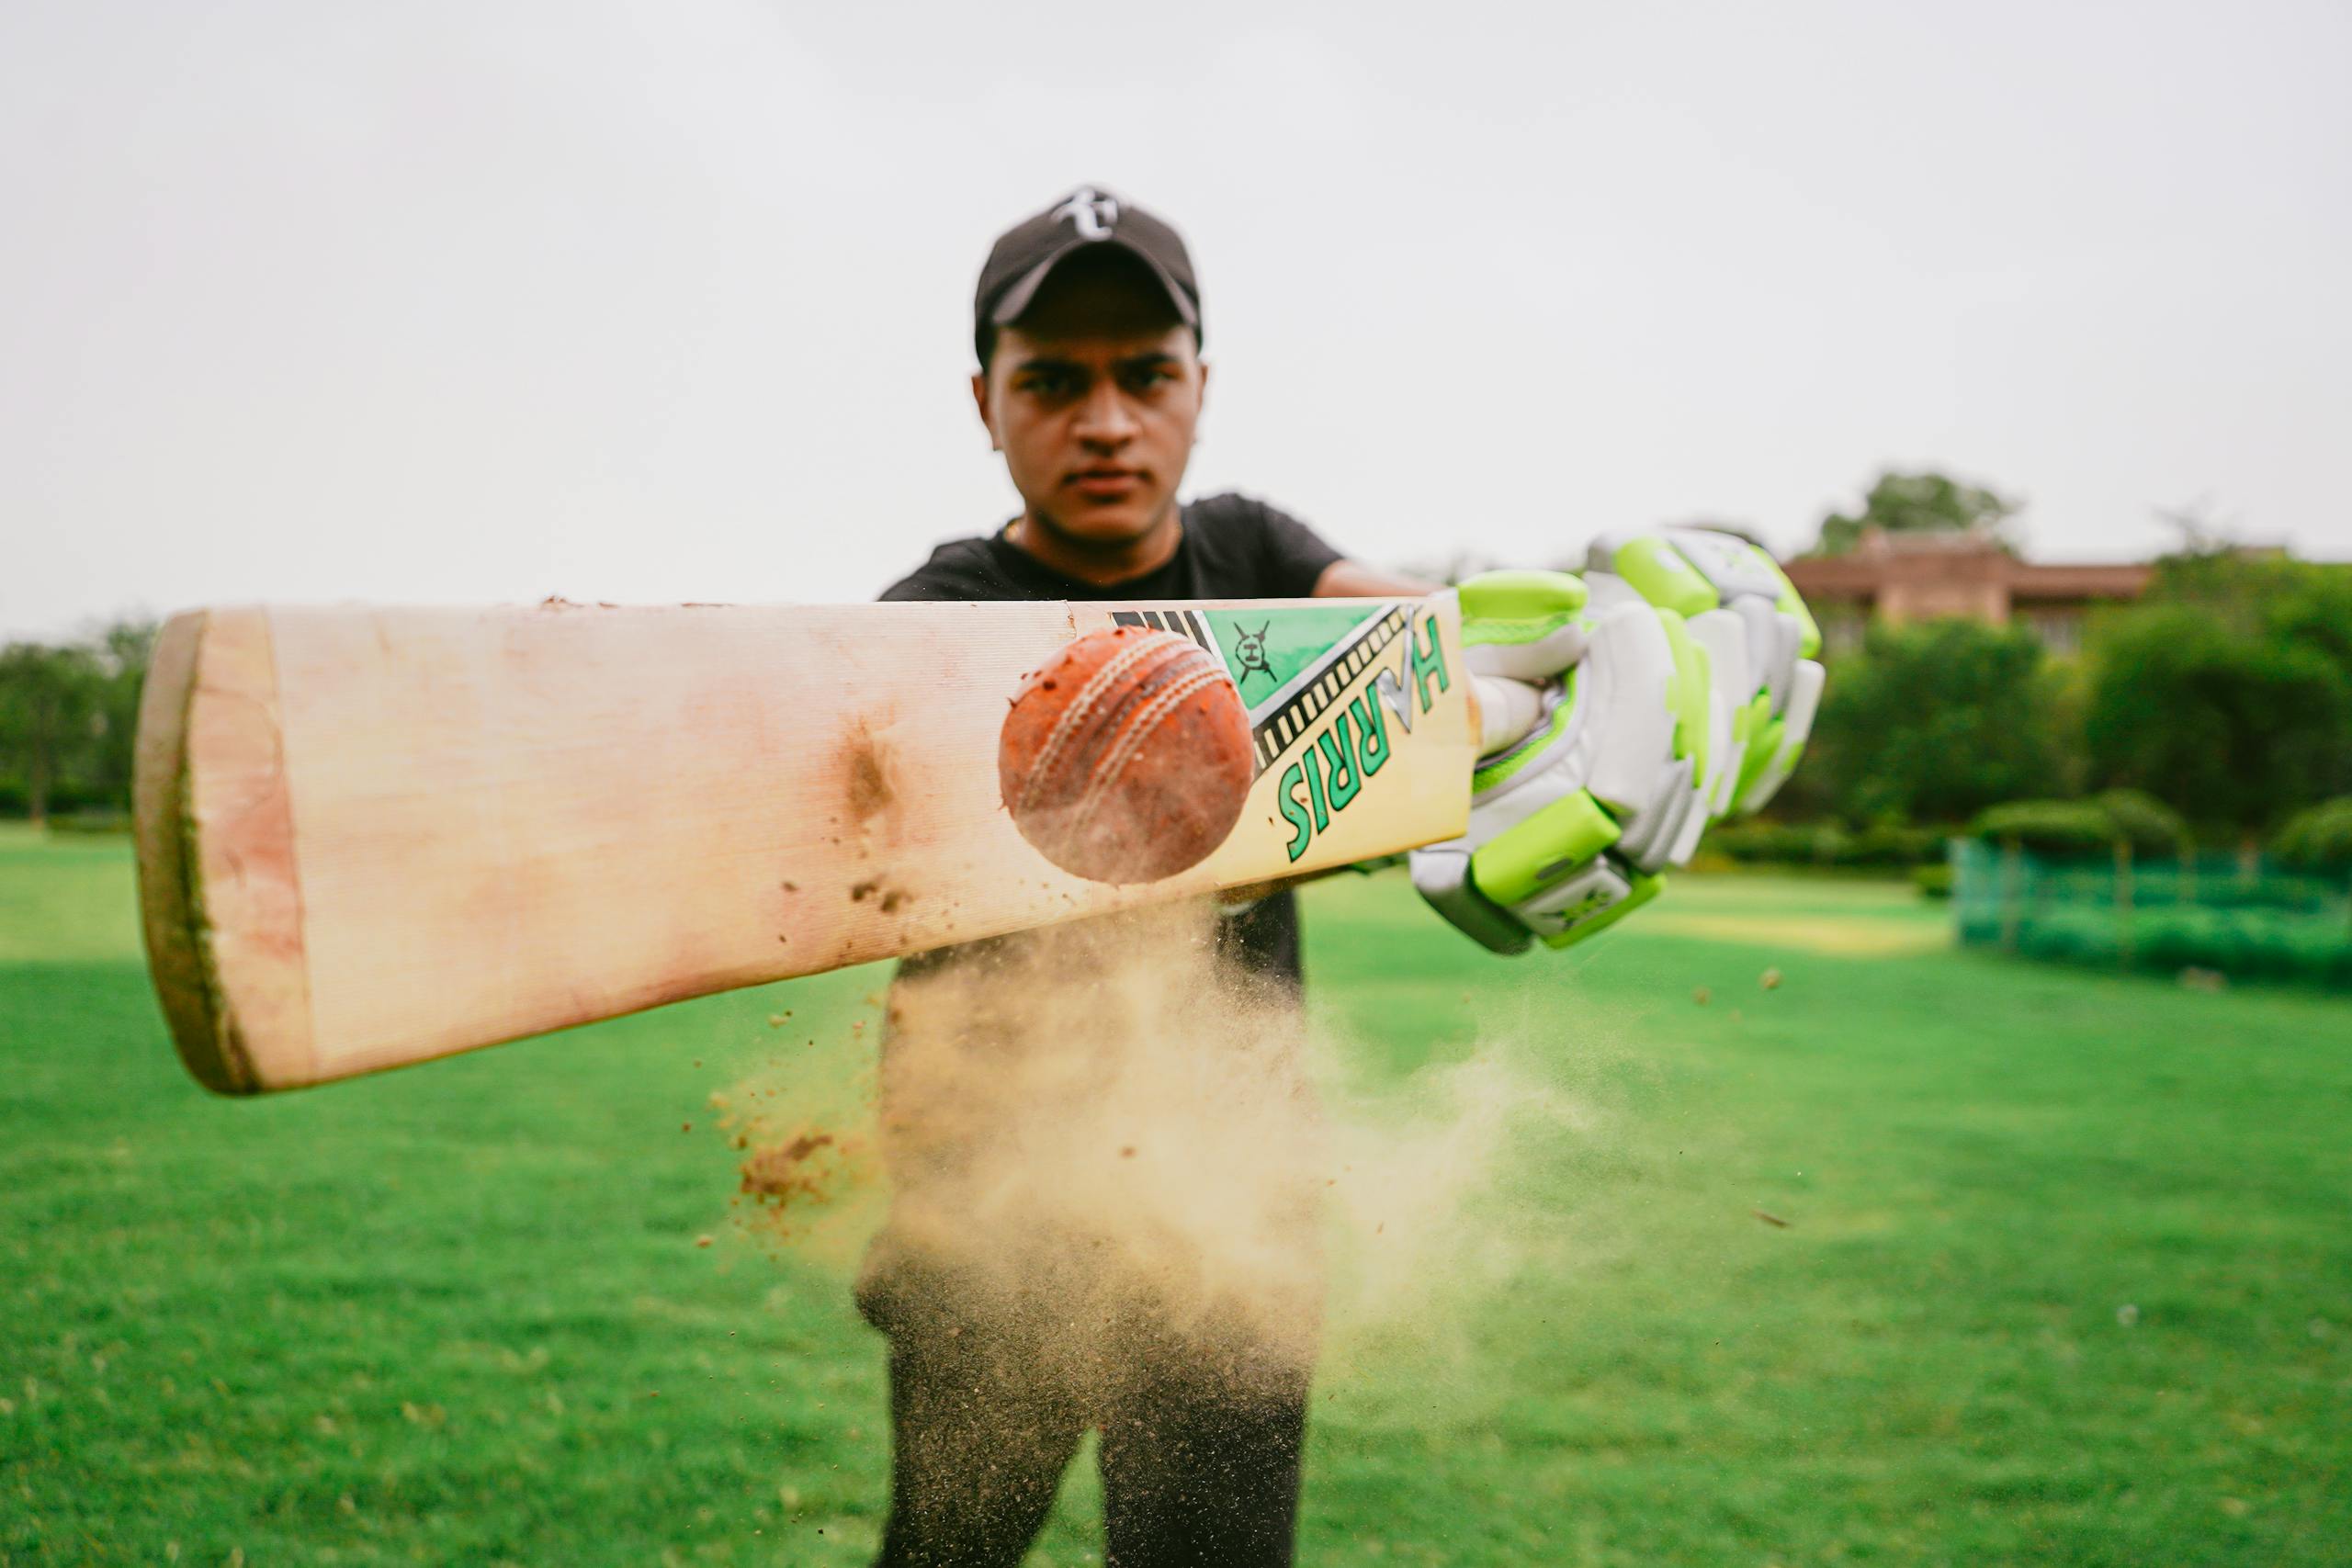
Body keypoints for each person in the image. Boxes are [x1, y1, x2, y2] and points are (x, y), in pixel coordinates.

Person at [859, 186, 1824, 1568]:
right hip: (991, 1214)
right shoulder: (939, 615)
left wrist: (1615, 676)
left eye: (1147, 375)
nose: (1108, 421)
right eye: (1054, 382)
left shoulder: (1252, 549)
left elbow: (1427, 649)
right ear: (985, 400)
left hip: (1231, 1202)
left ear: (1200, 386)